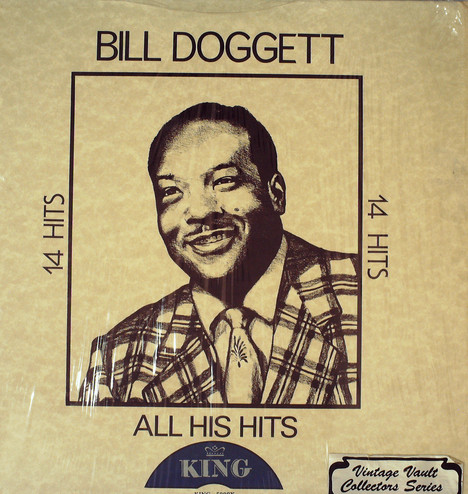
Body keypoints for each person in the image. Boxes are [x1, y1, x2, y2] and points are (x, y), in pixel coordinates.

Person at [80, 102, 359, 406]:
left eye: (224, 181)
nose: (199, 211)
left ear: (275, 194)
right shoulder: (117, 357)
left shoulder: (364, 298)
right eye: (172, 191)